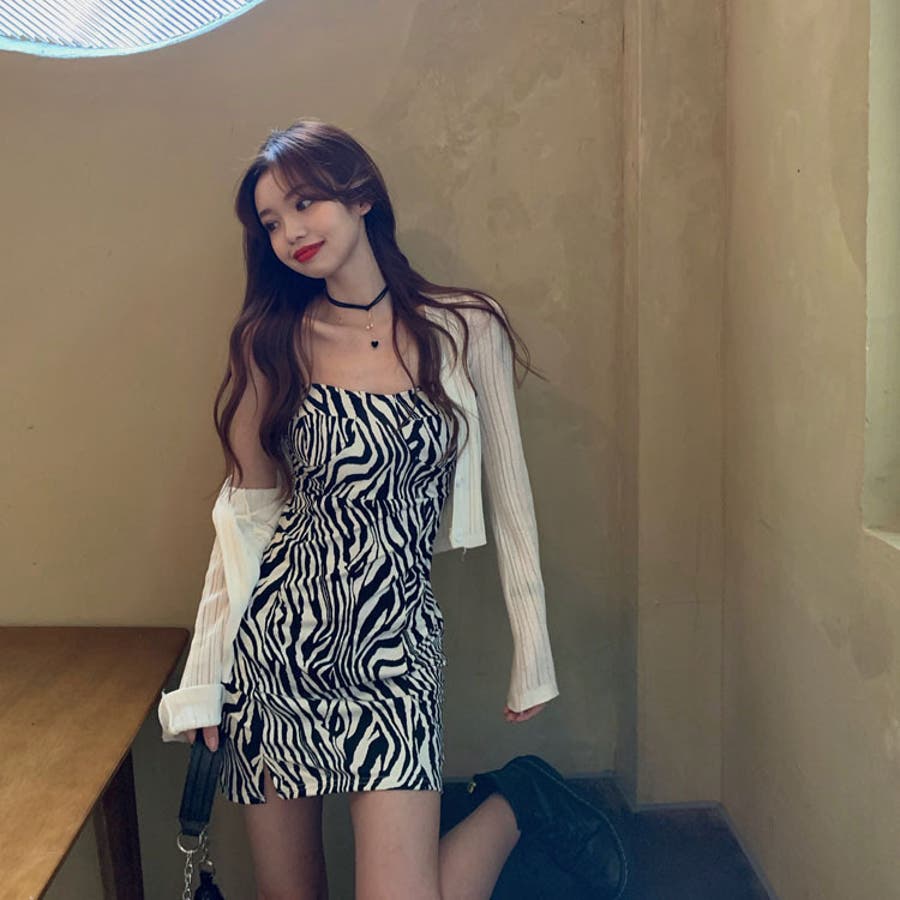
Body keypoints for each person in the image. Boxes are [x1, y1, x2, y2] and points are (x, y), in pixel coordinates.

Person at [158, 119, 625, 900]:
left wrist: (533, 650)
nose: (290, 232)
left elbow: (512, 501)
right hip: (278, 650)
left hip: (396, 651)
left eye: (304, 203)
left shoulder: (465, 326)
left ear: (361, 195)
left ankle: (518, 799)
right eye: (270, 222)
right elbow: (243, 514)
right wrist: (207, 675)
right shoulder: (272, 341)